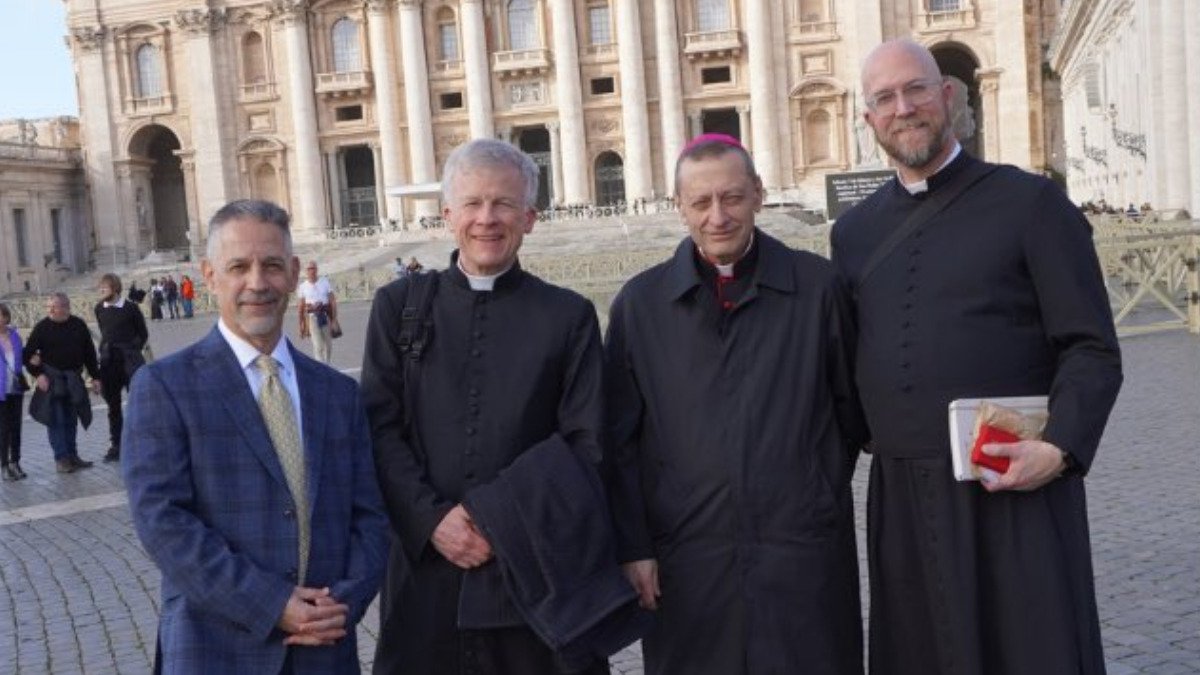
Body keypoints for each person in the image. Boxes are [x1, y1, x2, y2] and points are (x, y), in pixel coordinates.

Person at [830, 39, 1123, 675]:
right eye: (884, 98)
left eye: (916, 90)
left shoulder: (1031, 204)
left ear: (948, 96)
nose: (903, 108)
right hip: (904, 501)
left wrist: (1061, 448)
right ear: (868, 119)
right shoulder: (852, 235)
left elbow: (1092, 347)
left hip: (1014, 485)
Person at [604, 134, 867, 675]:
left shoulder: (817, 289)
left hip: (801, 549)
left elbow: (851, 412)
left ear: (758, 195)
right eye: (700, 202)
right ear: (679, 207)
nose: (717, 216)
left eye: (732, 197)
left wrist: (812, 486)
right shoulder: (641, 305)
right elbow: (619, 441)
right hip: (688, 557)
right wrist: (632, 547)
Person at [361, 139, 622, 675]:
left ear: (530, 217)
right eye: (473, 204)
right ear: (446, 214)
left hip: (530, 565)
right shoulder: (397, 307)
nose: (487, 219)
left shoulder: (568, 316)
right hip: (425, 571)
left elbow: (585, 441)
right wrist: (433, 520)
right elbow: (380, 427)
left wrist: (494, 521)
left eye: (503, 204)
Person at [122, 199, 389, 674]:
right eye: (239, 267)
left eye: (270, 266)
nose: (257, 283)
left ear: (291, 273)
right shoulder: (165, 386)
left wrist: (340, 604)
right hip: (215, 650)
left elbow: (369, 516)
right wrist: (272, 604)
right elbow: (162, 522)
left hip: (323, 650)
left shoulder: (337, 392)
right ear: (209, 275)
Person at [23, 292, 101, 474]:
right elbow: (27, 355)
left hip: (73, 379)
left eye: (53, 306)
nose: (49, 309)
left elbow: (89, 353)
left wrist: (96, 377)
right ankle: (61, 458)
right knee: (56, 420)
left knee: (71, 420)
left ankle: (72, 455)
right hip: (52, 382)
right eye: (48, 306)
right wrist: (38, 374)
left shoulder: (78, 325)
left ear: (65, 307)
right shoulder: (41, 328)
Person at [94, 273, 149, 463]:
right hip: (109, 362)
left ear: (115, 288)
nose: (101, 291)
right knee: (113, 406)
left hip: (130, 361)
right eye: (100, 288)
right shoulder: (99, 308)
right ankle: (117, 444)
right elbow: (104, 332)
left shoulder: (131, 308)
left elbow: (142, 333)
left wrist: (133, 350)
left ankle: (140, 443)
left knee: (137, 403)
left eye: (105, 287)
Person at [0, 303, 29, 481]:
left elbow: (22, 356)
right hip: (0, 390)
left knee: (16, 427)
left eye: (2, 316)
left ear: (6, 317)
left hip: (15, 387)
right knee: (3, 429)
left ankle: (15, 462)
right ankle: (4, 465)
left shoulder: (15, 336)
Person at [296, 261, 338, 364]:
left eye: (313, 268)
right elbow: (300, 307)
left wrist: (334, 320)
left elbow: (332, 300)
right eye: (309, 269)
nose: (311, 271)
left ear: (316, 270)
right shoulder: (303, 287)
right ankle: (321, 367)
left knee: (328, 345)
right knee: (318, 346)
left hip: (325, 315)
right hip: (312, 317)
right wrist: (301, 324)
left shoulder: (325, 282)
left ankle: (327, 365)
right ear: (306, 271)